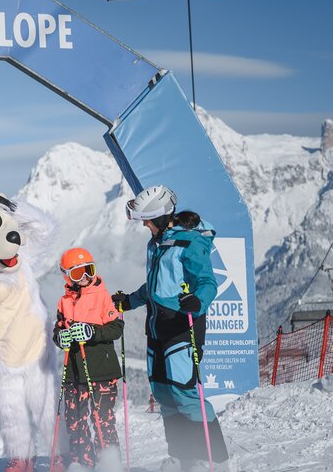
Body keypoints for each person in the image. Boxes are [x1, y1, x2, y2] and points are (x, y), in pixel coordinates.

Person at [113, 185, 231, 472]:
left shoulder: (188, 244)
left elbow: (207, 282)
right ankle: (184, 457)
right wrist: (129, 301)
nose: (144, 224)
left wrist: (196, 301)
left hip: (182, 327)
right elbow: (154, 287)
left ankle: (216, 461)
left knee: (186, 395)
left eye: (147, 219)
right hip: (157, 330)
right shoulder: (156, 243)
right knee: (165, 395)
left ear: (162, 217)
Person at [51, 247, 124, 470]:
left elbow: (116, 327)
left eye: (89, 270)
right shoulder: (63, 301)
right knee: (75, 423)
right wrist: (60, 337)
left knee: (102, 421)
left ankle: (109, 464)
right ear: (67, 276)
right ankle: (81, 464)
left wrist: (92, 331)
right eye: (78, 273)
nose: (84, 277)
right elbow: (58, 329)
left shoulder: (102, 295)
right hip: (74, 373)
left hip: (101, 372)